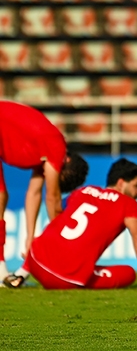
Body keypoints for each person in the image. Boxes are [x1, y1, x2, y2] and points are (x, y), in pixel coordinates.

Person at [3, 158, 137, 291]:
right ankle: (73, 274)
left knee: (55, 244)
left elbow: (58, 212)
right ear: (121, 183)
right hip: (64, 279)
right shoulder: (128, 204)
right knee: (128, 273)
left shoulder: (85, 190)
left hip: (35, 259)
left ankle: (21, 274)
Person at [0, 101, 88, 282]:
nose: (53, 181)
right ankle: (0, 271)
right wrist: (61, 240)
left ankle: (1, 271)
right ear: (68, 162)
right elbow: (52, 198)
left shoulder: (44, 152)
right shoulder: (57, 147)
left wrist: (30, 237)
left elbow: (34, 193)